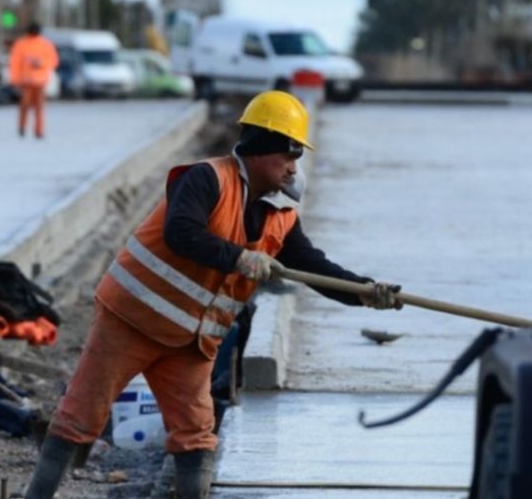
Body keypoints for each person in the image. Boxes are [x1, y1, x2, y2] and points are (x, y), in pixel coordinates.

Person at [24, 91, 403, 499]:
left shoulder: (280, 215)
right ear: (260, 150)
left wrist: (365, 292)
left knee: (196, 435)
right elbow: (182, 232)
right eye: (288, 156)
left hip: (191, 340)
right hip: (131, 320)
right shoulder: (206, 178)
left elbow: (314, 267)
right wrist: (240, 258)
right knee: (79, 418)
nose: (294, 168)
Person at [9, 22, 58, 139]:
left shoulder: (45, 45)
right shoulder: (21, 44)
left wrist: (40, 63)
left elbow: (53, 61)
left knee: (38, 108)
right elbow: (15, 62)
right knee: (26, 106)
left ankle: (38, 130)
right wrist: (15, 78)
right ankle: (22, 127)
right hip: (26, 81)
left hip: (39, 82)